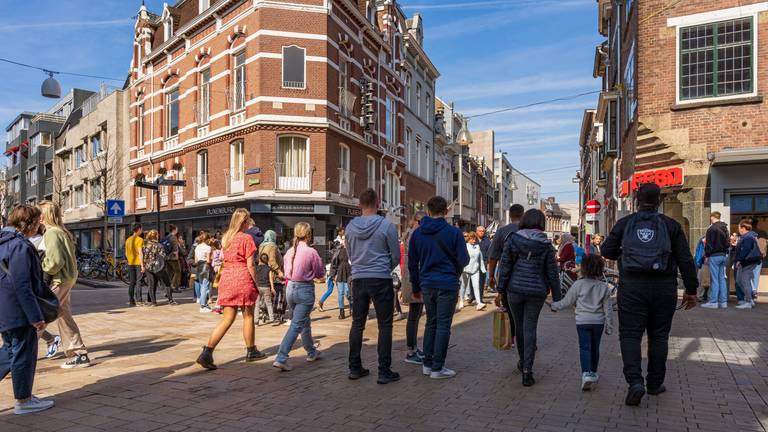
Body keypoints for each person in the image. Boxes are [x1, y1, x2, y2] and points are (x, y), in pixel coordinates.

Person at [601, 183, 698, 406]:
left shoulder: (625, 224)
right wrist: (691, 290)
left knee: (630, 335)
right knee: (659, 336)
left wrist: (624, 254)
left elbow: (606, 250)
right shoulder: (671, 226)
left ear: (636, 201)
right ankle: (655, 383)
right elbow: (685, 258)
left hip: (632, 287)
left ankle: (635, 382)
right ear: (659, 201)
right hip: (664, 287)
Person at [497, 209, 561, 387]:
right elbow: (552, 273)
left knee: (519, 328)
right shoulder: (546, 245)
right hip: (537, 291)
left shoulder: (512, 239)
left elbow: (505, 267)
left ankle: (522, 361)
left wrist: (500, 290)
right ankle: (527, 370)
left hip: (515, 290)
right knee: (530, 327)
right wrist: (557, 298)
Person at [0, 205, 55, 414]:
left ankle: (25, 397)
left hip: (4, 308)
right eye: (37, 222)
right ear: (29, 223)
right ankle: (24, 401)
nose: (39, 226)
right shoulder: (20, 246)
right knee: (23, 352)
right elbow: (23, 285)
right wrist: (35, 316)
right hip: (18, 310)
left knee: (10, 349)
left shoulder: (2, 242)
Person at [196, 208, 267, 370]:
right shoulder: (246, 239)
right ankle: (251, 350)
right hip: (242, 278)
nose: (249, 223)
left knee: (227, 319)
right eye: (248, 221)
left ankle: (207, 352)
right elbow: (250, 265)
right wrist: (255, 283)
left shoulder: (226, 238)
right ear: (244, 222)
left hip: (227, 278)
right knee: (248, 316)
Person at [408, 196, 469, 379]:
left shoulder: (418, 233)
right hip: (447, 283)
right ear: (446, 211)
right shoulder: (454, 232)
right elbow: (464, 260)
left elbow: (412, 264)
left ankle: (427, 364)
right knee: (443, 325)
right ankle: (437, 367)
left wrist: (416, 287)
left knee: (431, 323)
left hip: (427, 284)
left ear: (428, 211)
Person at [346, 188, 401, 384]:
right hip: (380, 278)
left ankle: (354, 367)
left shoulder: (350, 227)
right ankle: (384, 370)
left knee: (357, 323)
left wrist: (360, 265)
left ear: (359, 204)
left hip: (359, 278)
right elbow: (396, 254)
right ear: (378, 203)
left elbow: (350, 254)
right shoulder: (387, 226)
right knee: (384, 325)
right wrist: (385, 266)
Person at [37, 201, 90, 369]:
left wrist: (42, 267)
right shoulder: (62, 231)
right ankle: (79, 353)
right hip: (67, 278)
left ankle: (18, 356)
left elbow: (55, 262)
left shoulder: (51, 233)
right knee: (64, 315)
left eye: (39, 214)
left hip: (59, 280)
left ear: (43, 216)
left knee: (40, 316)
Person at [550, 254, 614, 391]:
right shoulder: (604, 287)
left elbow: (567, 301)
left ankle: (586, 373)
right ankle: (594, 372)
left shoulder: (578, 285)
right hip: (598, 322)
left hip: (582, 321)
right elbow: (608, 309)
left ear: (583, 268)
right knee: (595, 348)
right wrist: (609, 326)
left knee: (585, 347)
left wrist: (554, 305)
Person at [272, 222, 324, 371]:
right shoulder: (311, 252)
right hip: (304, 289)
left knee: (304, 322)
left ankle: (311, 351)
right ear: (308, 235)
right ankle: (281, 357)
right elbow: (320, 272)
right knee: (296, 325)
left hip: (290, 288)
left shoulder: (289, 252)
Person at [489, 204, 526, 346]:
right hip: (527, 276)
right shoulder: (529, 231)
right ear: (523, 215)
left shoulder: (502, 231)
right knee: (527, 312)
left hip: (507, 277)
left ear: (510, 215)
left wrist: (491, 276)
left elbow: (493, 256)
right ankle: (527, 339)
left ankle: (512, 337)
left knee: (509, 307)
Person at [401, 211, 426, 364]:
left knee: (415, 315)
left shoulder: (410, 234)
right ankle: (411, 351)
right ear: (417, 221)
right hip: (413, 279)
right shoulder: (414, 235)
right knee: (414, 315)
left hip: (411, 277)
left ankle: (414, 348)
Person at [701, 211, 729, 309]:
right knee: (721, 278)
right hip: (723, 255)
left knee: (715, 279)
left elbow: (709, 244)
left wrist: (707, 255)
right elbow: (727, 243)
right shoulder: (725, 228)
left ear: (712, 217)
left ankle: (713, 302)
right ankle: (723, 302)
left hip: (714, 255)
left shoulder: (711, 229)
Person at [258, 230, 285, 324]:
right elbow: (272, 260)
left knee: (266, 295)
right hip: (272, 273)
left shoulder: (261, 246)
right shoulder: (272, 246)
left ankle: (264, 312)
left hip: (262, 273)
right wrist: (279, 271)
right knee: (275, 293)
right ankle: (275, 314)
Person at [142, 230, 175, 306]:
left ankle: (153, 302)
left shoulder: (145, 246)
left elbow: (144, 257)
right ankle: (170, 300)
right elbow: (163, 257)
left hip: (149, 267)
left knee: (151, 284)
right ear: (156, 236)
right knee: (167, 283)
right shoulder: (159, 246)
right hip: (159, 267)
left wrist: (144, 265)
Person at [735, 219, 761, 310]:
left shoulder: (748, 237)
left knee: (745, 281)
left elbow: (746, 249)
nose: (738, 230)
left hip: (748, 262)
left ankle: (748, 301)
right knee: (739, 280)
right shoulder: (747, 237)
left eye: (739, 228)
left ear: (743, 228)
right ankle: (749, 298)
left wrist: (739, 260)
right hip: (745, 262)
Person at [459, 232, 487, 311]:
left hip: (475, 270)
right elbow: (461, 257)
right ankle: (461, 300)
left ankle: (479, 303)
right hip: (466, 269)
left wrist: (483, 269)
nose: (474, 240)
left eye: (475, 239)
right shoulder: (465, 246)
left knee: (476, 287)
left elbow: (480, 258)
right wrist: (461, 267)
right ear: (468, 239)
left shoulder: (478, 247)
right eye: (472, 239)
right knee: (463, 286)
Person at [331, 238, 352, 319]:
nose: (343, 241)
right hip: (340, 273)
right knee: (340, 293)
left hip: (349, 273)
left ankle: (352, 308)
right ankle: (341, 312)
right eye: (343, 240)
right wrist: (333, 275)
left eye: (345, 239)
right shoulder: (338, 250)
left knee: (348, 292)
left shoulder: (351, 250)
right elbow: (334, 263)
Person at [125, 223, 145, 306]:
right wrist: (142, 265)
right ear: (139, 229)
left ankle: (131, 300)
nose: (142, 230)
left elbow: (126, 253)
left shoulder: (128, 240)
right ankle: (139, 300)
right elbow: (140, 253)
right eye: (141, 229)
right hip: (137, 263)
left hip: (130, 263)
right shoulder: (140, 240)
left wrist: (129, 260)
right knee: (138, 282)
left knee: (132, 282)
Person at [318, 239, 339, 312]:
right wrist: (333, 276)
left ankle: (321, 302)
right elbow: (334, 266)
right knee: (332, 290)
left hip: (331, 274)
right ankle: (321, 302)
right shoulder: (336, 253)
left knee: (337, 291)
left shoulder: (333, 253)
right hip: (332, 274)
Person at [195, 232, 213, 312]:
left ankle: (204, 304)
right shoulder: (208, 247)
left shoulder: (197, 247)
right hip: (206, 267)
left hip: (199, 267)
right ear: (207, 239)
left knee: (202, 285)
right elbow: (208, 260)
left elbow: (196, 260)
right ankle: (203, 305)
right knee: (205, 287)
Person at [255, 253, 276, 323]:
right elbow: (271, 279)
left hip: (258, 287)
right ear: (267, 260)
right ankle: (272, 319)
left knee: (257, 304)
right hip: (266, 287)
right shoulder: (268, 268)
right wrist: (272, 288)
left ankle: (256, 321)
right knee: (269, 304)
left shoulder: (256, 268)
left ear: (260, 259)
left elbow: (254, 277)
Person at [164, 225, 181, 293]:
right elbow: (175, 249)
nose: (177, 231)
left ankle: (167, 290)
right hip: (173, 258)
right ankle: (173, 286)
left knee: (169, 274)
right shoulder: (174, 237)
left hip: (167, 258)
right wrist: (176, 257)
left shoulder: (167, 236)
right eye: (176, 229)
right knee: (178, 271)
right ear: (174, 230)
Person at [693, 236, 710, 303]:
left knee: (704, 280)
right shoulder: (702, 240)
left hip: (706, 262)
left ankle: (703, 296)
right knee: (701, 280)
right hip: (703, 262)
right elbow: (698, 251)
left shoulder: (706, 240)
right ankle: (700, 296)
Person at [476, 225, 492, 295]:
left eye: (483, 231)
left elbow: (490, 252)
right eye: (480, 231)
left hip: (484, 263)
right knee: (474, 280)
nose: (481, 232)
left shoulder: (487, 241)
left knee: (482, 280)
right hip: (474, 263)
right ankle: (472, 295)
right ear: (477, 232)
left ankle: (480, 296)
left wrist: (488, 263)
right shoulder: (473, 239)